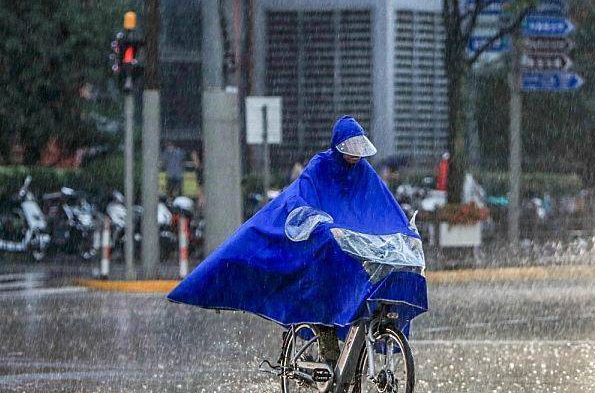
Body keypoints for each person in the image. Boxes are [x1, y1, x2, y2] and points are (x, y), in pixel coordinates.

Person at [169, 116, 427, 367]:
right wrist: (317, 223)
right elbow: (301, 196)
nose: (355, 154)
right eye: (350, 147)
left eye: (359, 148)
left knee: (369, 281)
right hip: (320, 243)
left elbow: (385, 206)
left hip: (350, 245)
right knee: (323, 285)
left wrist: (405, 231)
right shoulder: (320, 166)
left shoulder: (364, 173)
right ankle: (324, 332)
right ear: (337, 146)